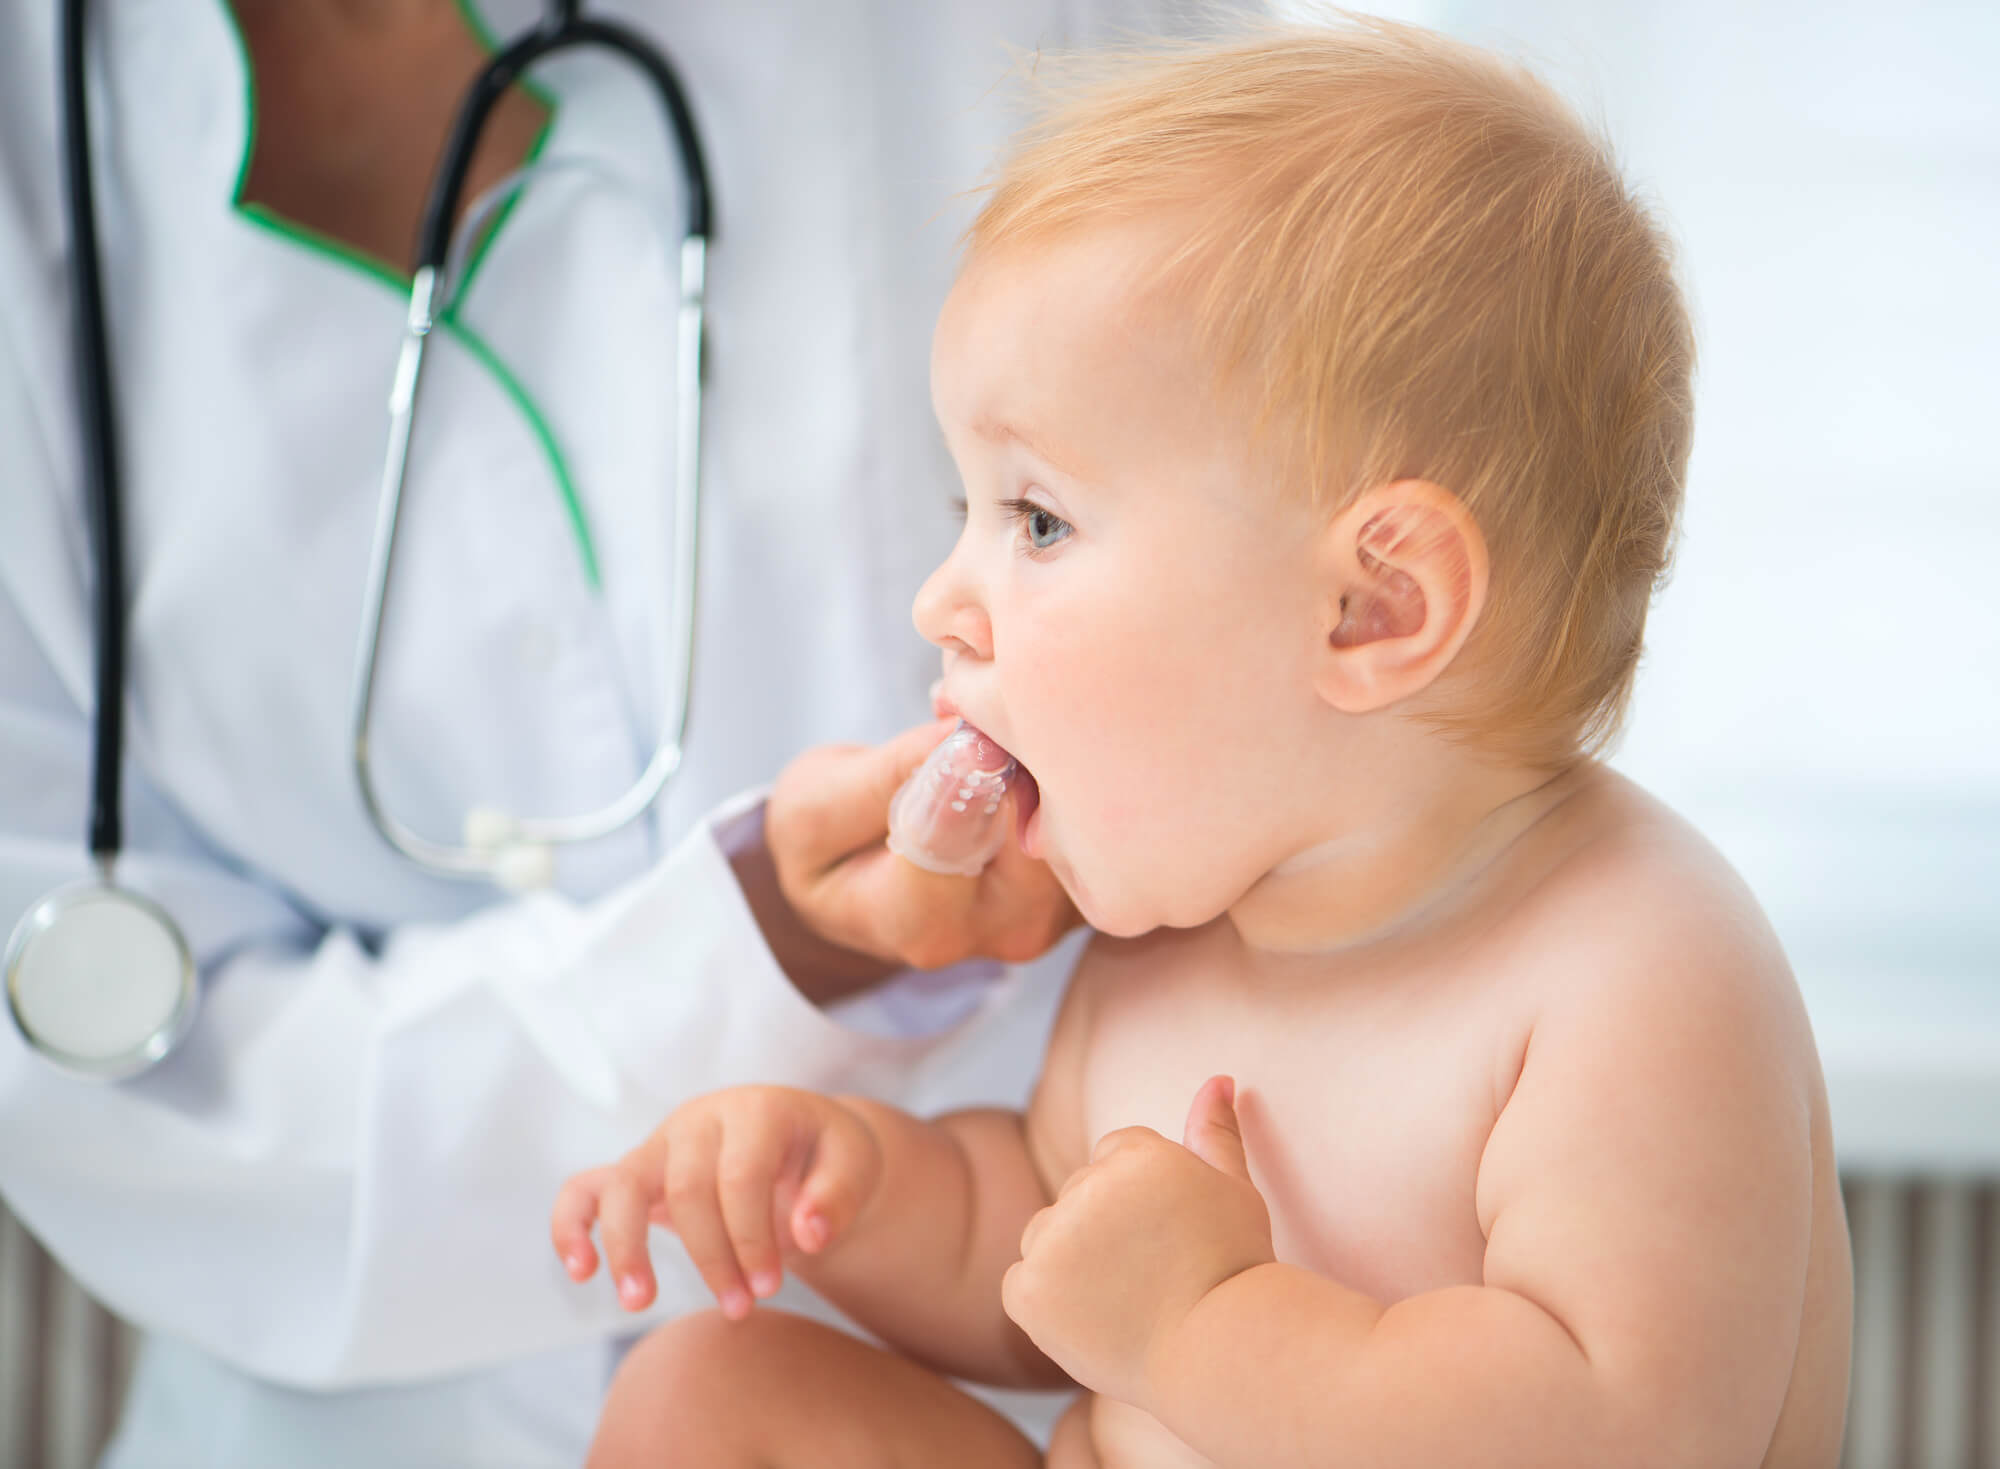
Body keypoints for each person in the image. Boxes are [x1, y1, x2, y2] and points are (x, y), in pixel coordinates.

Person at [552, 18, 1856, 1467]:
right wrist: (849, 1184)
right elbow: (1039, 1244)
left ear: (1372, 607)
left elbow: (1616, 1432)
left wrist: (1199, 1326)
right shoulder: (1172, 937)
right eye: (966, 512)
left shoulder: (1637, 969)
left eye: (1037, 519)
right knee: (708, 1394)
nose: (945, 602)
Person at [0, 1, 1197, 1464]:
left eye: (1026, 522)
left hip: (1023, 1370)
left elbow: (1295, 506)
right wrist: (748, 944)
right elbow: (109, 1093)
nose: (952, 593)